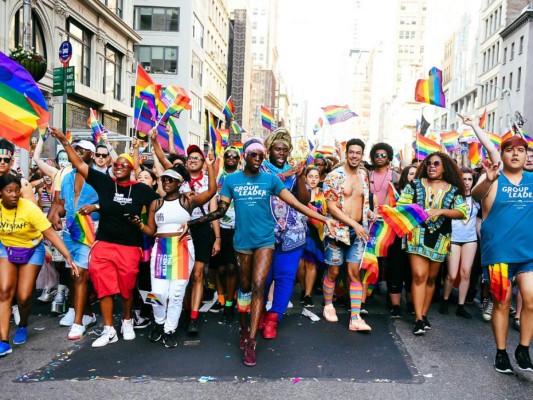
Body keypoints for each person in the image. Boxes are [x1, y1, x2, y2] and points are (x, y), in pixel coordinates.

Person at [187, 137, 335, 367]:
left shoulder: (271, 180)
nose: (257, 158)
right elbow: (221, 210)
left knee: (258, 285)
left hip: (266, 240)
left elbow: (296, 204)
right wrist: (193, 222)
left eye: (260, 155)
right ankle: (243, 327)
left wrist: (324, 219)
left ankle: (251, 341)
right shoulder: (232, 180)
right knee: (245, 287)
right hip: (242, 241)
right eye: (253, 154)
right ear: (245, 156)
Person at [49, 127, 159, 348]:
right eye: (116, 164)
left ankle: (127, 321)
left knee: (126, 288)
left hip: (129, 247)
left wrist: (142, 224)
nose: (118, 167)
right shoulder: (105, 183)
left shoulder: (142, 191)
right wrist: (63, 141)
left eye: (123, 165)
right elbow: (80, 164)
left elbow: (156, 216)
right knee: (104, 286)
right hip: (104, 244)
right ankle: (109, 329)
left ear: (132, 169)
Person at [132, 157, 216, 348]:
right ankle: (158, 322)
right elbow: (150, 231)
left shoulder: (188, 200)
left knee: (177, 293)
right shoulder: (156, 204)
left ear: (180, 183)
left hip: (183, 248)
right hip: (161, 249)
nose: (166, 182)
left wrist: (210, 167)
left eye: (171, 180)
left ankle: (169, 329)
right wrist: (139, 224)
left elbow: (211, 191)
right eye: (164, 179)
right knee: (157, 292)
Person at [472, 135, 533, 374]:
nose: (515, 154)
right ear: (503, 154)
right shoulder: (493, 178)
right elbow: (476, 195)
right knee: (502, 302)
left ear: (527, 155)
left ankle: (523, 350)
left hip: (528, 254)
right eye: (510, 150)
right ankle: (501, 353)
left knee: (531, 300)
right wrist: (487, 180)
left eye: (521, 150)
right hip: (499, 255)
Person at [0, 174, 79, 357]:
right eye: (9, 191)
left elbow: (50, 234)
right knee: (4, 292)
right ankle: (3, 341)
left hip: (32, 250)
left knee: (24, 297)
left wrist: (68, 257)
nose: (14, 194)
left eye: (17, 190)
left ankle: (22, 324)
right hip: (7, 248)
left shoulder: (29, 209)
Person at [397, 152, 467, 336]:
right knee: (419, 275)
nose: (431, 166)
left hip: (441, 238)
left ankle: (424, 314)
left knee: (431, 278)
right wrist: (417, 210)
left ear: (445, 168)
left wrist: (440, 211)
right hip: (416, 234)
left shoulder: (453, 190)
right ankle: (418, 319)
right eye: (428, 163)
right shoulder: (415, 185)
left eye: (436, 163)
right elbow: (401, 204)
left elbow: (462, 212)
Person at [322, 138, 376, 332]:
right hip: (337, 231)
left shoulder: (363, 175)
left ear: (362, 155)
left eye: (358, 153)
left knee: (354, 273)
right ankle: (328, 305)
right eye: (351, 152)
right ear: (346, 154)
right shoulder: (334, 176)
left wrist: (369, 214)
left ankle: (355, 317)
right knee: (334, 272)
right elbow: (331, 207)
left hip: (358, 232)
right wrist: (354, 224)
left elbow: (362, 201)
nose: (354, 156)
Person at [260, 129, 310, 339]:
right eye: (277, 149)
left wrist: (300, 177)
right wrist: (287, 174)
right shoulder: (260, 168)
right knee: (262, 278)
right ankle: (259, 313)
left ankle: (274, 318)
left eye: (285, 149)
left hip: (292, 233)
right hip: (264, 233)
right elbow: (264, 186)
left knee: (285, 277)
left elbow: (304, 201)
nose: (281, 153)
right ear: (269, 150)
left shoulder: (294, 170)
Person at [49, 140, 99, 340]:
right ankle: (86, 313)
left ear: (91, 155)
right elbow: (63, 204)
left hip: (90, 229)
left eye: (82, 150)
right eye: (75, 150)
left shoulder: (99, 177)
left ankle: (78, 322)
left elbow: (109, 203)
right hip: (70, 230)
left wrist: (95, 208)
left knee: (81, 275)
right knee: (73, 274)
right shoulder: (67, 177)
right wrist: (56, 215)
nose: (76, 153)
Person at [440, 167, 480, 319]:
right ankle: (445, 299)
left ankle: (461, 306)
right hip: (454, 238)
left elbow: (479, 218)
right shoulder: (452, 196)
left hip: (470, 239)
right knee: (451, 274)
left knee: (466, 272)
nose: (467, 182)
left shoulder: (477, 198)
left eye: (470, 179)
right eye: (464, 179)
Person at [209, 146, 241, 323]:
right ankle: (222, 296)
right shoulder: (217, 176)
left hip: (237, 228)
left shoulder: (242, 177)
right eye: (228, 155)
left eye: (234, 156)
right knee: (219, 268)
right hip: (218, 227)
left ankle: (229, 302)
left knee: (232, 267)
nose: (231, 158)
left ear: (238, 160)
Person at [387, 165, 417, 316]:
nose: (414, 176)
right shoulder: (395, 191)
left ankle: (411, 303)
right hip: (397, 237)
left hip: (415, 238)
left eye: (416, 174)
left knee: (412, 272)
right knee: (396, 270)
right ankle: (396, 305)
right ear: (405, 176)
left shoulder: (422, 193)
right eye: (411, 173)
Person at [297, 167, 327, 307]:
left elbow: (326, 214)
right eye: (310, 176)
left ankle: (308, 294)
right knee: (299, 265)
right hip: (298, 231)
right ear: (305, 177)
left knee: (311, 263)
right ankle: (303, 289)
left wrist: (313, 218)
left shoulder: (324, 194)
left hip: (315, 233)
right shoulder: (299, 192)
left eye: (316, 177)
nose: (313, 179)